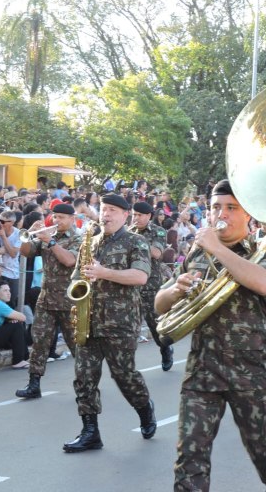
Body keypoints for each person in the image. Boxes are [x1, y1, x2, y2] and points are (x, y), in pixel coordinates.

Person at [154, 179, 266, 492]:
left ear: (248, 215)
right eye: (216, 207)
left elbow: (263, 283)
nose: (221, 214)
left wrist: (217, 248)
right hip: (204, 368)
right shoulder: (197, 254)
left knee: (263, 448)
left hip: (251, 369)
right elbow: (159, 305)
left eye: (231, 208)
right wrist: (174, 290)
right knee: (190, 455)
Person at [63, 193, 156, 453]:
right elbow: (75, 278)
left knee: (124, 376)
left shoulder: (135, 242)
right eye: (104, 209)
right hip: (89, 321)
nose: (106, 214)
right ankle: (90, 431)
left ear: (126, 215)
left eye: (113, 210)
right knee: (84, 377)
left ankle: (145, 409)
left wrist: (105, 273)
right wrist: (76, 290)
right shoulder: (89, 243)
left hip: (120, 323)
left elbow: (139, 276)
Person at [15, 203, 81, 399]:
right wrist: (30, 233)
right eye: (55, 216)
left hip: (69, 301)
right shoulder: (46, 235)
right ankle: (34, 384)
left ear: (71, 218)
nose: (57, 220)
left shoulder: (78, 239)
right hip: (46, 299)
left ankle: (86, 382)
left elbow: (69, 261)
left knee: (76, 346)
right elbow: (26, 252)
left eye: (61, 217)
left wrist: (51, 242)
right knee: (39, 342)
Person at [129, 201, 174, 371]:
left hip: (150, 285)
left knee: (156, 327)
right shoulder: (128, 232)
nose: (136, 218)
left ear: (148, 216)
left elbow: (157, 253)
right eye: (134, 215)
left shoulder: (158, 231)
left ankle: (165, 348)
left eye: (139, 215)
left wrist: (136, 239)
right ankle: (126, 367)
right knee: (129, 328)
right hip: (131, 286)